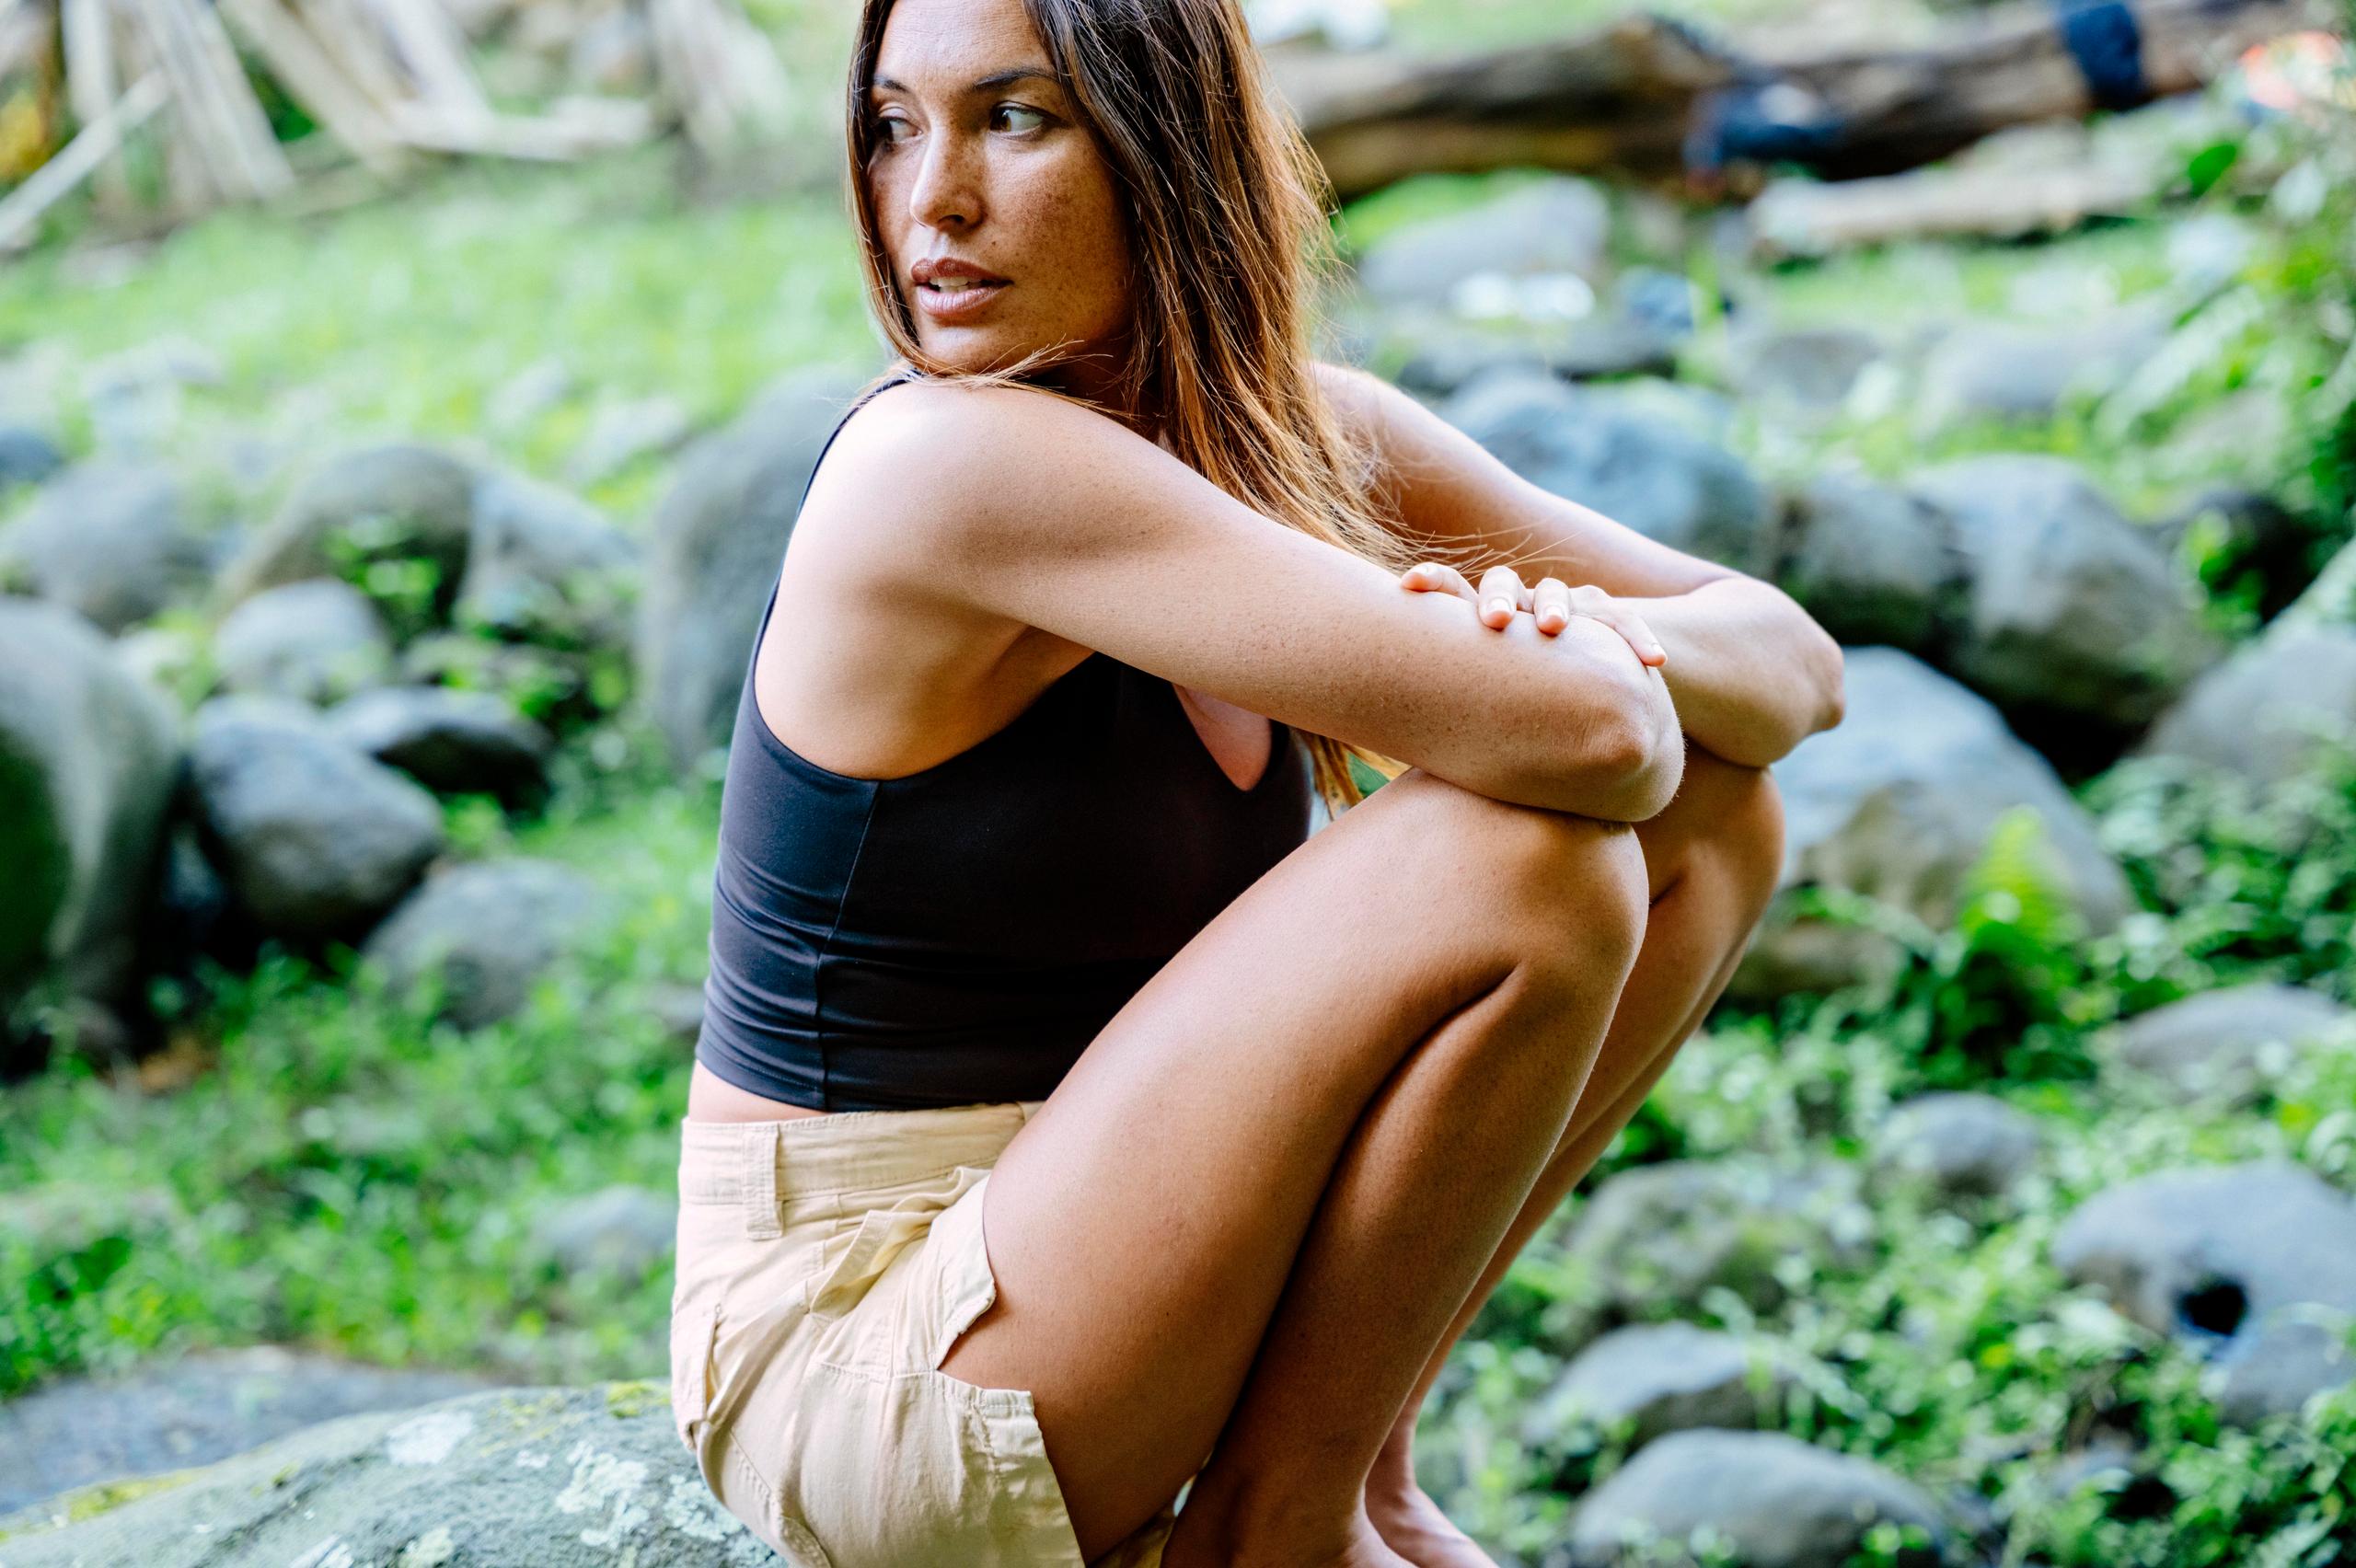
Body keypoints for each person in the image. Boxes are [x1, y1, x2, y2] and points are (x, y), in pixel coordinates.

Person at [667, 0, 1845, 1563]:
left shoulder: (1300, 439)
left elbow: (1792, 667)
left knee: (1721, 817)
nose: (931, 198)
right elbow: (1603, 741)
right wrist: (1564, 670)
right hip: (870, 1353)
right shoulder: (946, 466)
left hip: (1109, 1249)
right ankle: (1280, 1532)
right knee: (1527, 857)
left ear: (1167, 143)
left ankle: (1355, 1479)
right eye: (894, 126)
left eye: (1014, 119)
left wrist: (1573, 638)